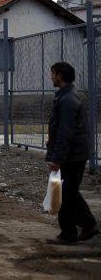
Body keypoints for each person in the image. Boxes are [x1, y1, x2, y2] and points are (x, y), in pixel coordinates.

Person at [45, 62, 98, 245]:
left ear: (60, 76)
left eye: (53, 74)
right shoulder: (66, 97)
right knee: (70, 191)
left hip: (72, 156)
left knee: (66, 195)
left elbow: (65, 133)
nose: (51, 77)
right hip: (75, 154)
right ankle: (88, 223)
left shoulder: (67, 100)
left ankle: (68, 234)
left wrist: (57, 159)